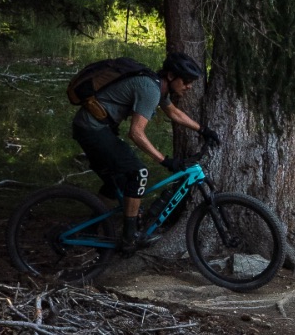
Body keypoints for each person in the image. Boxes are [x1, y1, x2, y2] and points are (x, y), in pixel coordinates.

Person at [69, 51, 208, 254]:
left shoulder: (157, 87)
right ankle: (129, 238)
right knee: (139, 173)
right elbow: (136, 133)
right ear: (171, 76)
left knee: (116, 183)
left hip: (92, 128)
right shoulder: (150, 89)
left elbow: (173, 112)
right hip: (92, 129)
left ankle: (89, 230)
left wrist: (203, 130)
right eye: (186, 81)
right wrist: (165, 160)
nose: (189, 86)